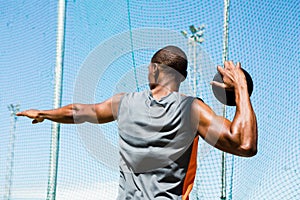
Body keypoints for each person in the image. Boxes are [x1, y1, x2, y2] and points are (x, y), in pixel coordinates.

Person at [17, 46, 257, 200]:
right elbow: (244, 144)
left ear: (152, 70)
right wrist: (241, 89)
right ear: (181, 78)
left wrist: (44, 113)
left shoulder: (123, 103)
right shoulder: (193, 109)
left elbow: (79, 111)